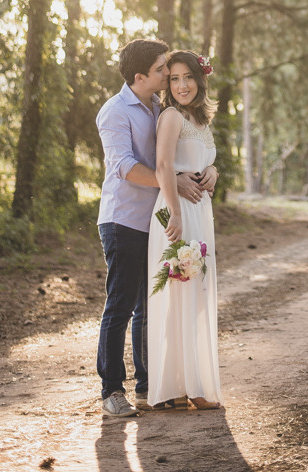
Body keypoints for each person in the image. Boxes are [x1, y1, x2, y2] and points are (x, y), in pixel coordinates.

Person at [95, 38, 198, 419]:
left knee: (147, 305)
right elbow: (123, 166)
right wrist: (170, 182)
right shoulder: (114, 111)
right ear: (141, 76)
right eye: (160, 69)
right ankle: (110, 390)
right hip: (122, 220)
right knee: (120, 304)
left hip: (152, 221)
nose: (167, 73)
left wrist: (189, 175)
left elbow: (173, 157)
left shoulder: (159, 107)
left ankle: (145, 385)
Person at [147, 49, 222, 410]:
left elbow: (202, 160)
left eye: (187, 77)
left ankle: (184, 382)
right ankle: (188, 386)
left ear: (200, 79)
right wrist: (175, 212)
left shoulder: (201, 120)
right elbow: (162, 166)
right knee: (180, 295)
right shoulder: (171, 117)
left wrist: (214, 172)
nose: (181, 85)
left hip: (200, 211)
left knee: (195, 297)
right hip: (175, 213)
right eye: (174, 79)